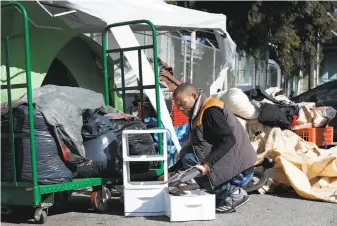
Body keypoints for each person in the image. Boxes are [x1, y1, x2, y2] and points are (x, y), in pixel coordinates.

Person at [172, 83, 257, 213]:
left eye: (182, 104)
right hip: (233, 163)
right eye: (178, 106)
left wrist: (207, 164)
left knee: (190, 159)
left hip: (241, 168)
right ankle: (222, 193)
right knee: (186, 153)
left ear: (194, 96)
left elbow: (229, 140)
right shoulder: (198, 112)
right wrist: (173, 171)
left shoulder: (210, 111)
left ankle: (233, 193)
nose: (181, 109)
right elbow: (196, 146)